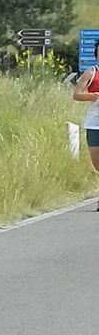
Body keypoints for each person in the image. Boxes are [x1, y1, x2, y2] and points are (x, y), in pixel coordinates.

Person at [73, 40, 99, 211]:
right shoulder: (91, 72)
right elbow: (77, 94)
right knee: (97, 164)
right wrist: (91, 96)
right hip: (94, 123)